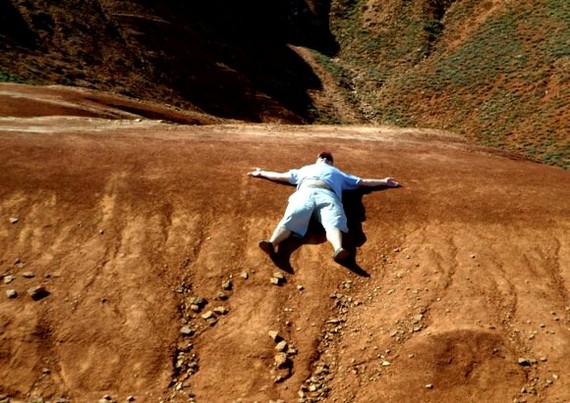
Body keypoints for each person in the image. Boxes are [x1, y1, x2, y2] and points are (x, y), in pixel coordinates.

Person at [247, 151, 400, 263]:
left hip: (328, 195)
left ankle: (339, 249)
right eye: (323, 156)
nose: (325, 158)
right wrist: (261, 173)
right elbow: (281, 176)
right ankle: (271, 244)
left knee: (334, 222)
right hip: (306, 191)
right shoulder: (304, 169)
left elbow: (361, 182)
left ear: (332, 163)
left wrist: (383, 181)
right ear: (318, 160)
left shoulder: (339, 173)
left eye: (328, 157)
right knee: (292, 217)